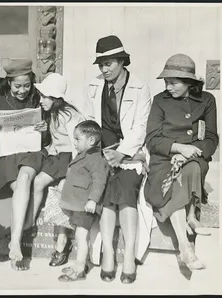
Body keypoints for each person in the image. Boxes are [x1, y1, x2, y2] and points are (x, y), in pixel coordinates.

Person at [86, 35, 152, 284]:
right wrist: (100, 151)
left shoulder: (139, 86)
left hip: (129, 152)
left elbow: (141, 127)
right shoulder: (94, 86)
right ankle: (109, 255)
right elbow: (91, 121)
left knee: (124, 189)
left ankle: (129, 257)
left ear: (122, 62)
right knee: (103, 190)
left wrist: (122, 153)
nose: (104, 69)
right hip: (102, 152)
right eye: (101, 64)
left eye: (109, 63)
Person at [145, 53, 219, 270]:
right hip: (164, 159)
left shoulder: (207, 100)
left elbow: (212, 138)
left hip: (194, 158)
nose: (168, 87)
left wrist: (191, 152)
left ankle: (191, 220)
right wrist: (177, 148)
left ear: (189, 82)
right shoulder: (160, 101)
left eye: (174, 82)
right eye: (166, 82)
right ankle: (185, 247)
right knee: (174, 178)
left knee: (192, 167)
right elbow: (152, 139)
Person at [0, 59, 47, 271]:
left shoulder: (38, 97)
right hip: (6, 157)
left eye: (26, 85)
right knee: (22, 186)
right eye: (17, 86)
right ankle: (16, 240)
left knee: (24, 178)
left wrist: (43, 127)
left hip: (31, 153)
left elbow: (46, 136)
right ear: (9, 83)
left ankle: (15, 242)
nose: (22, 91)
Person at [24, 73, 86, 267]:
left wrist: (76, 169)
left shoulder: (69, 115)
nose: (41, 100)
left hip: (71, 158)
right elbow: (55, 141)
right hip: (57, 157)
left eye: (45, 97)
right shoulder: (52, 113)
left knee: (61, 190)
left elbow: (79, 143)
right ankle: (29, 223)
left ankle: (62, 243)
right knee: (37, 181)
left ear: (56, 98)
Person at [56, 120, 109, 282]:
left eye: (78, 139)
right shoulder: (84, 155)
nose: (75, 142)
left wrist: (93, 200)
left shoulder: (96, 159)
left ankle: (79, 269)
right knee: (80, 236)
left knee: (81, 236)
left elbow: (100, 180)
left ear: (91, 141)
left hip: (84, 205)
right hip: (78, 203)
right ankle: (79, 263)